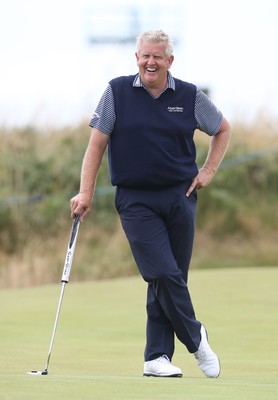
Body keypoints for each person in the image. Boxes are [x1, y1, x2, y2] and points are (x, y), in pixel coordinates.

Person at [70, 29, 231, 378]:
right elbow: (95, 145)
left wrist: (208, 170)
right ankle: (197, 339)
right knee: (161, 271)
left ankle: (157, 356)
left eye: (157, 56)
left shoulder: (189, 96)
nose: (150, 62)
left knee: (172, 277)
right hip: (136, 199)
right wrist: (85, 192)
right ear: (136, 57)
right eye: (144, 55)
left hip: (180, 196)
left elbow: (222, 129)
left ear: (170, 60)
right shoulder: (116, 92)